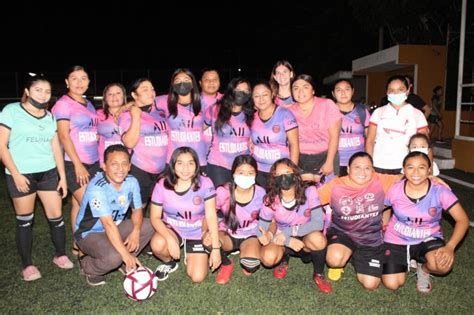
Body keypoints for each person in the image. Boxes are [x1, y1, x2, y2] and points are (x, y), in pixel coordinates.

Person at [0, 75, 72, 281]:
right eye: (38, 90)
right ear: (28, 91)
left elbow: (56, 149)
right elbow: (1, 145)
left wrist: (62, 178)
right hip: (22, 174)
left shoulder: (50, 116)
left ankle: (60, 255)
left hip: (48, 173)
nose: (43, 94)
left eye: (47, 91)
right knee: (25, 220)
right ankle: (27, 265)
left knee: (56, 217)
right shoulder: (11, 111)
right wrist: (16, 174)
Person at [382, 151, 469, 293]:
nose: (416, 172)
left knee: (442, 266)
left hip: (427, 238)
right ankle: (405, 260)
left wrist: (450, 247)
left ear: (429, 170)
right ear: (404, 170)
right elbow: (381, 208)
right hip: (396, 238)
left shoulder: (440, 191)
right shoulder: (395, 189)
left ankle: (423, 269)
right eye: (410, 167)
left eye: (421, 167)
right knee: (392, 283)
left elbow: (462, 220)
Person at [75, 145, 156, 286]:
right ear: (104, 166)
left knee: (148, 225)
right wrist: (125, 254)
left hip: (115, 227)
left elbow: (137, 210)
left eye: (124, 163)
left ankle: (127, 263)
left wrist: (136, 231)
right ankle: (87, 265)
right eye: (114, 164)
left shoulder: (132, 181)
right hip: (90, 233)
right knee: (115, 257)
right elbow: (107, 224)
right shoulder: (97, 187)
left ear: (130, 166)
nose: (120, 169)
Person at [318, 152, 399, 289]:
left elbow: (410, 177)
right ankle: (342, 257)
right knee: (334, 259)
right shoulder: (336, 185)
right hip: (343, 233)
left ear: (373, 170)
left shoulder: (380, 181)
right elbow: (311, 201)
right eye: (357, 167)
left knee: (371, 284)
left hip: (370, 239)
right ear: (348, 169)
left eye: (367, 168)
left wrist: (433, 178)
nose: (363, 172)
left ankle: (356, 257)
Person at [257, 158, 331, 293]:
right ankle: (284, 259)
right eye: (278, 175)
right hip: (281, 239)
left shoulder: (310, 192)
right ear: (274, 179)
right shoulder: (270, 199)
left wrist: (289, 232)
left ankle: (319, 273)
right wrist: (272, 237)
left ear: (296, 174)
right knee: (268, 258)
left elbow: (318, 223)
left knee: (318, 240)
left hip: (304, 236)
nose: (283, 177)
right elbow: (261, 228)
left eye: (287, 172)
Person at [149, 147, 221, 283]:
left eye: (190, 163)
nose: (185, 168)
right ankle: (169, 262)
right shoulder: (162, 184)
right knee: (158, 244)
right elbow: (155, 217)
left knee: (197, 277)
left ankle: (192, 251)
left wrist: (216, 248)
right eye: (180, 163)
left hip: (197, 231)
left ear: (196, 165)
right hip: (173, 229)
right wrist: (169, 240)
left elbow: (211, 216)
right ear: (173, 165)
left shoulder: (205, 183)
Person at [52, 66, 100, 256]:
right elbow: (63, 136)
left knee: (78, 205)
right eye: (74, 78)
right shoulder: (63, 104)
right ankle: (91, 245)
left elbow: (86, 128)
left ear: (89, 82)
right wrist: (78, 165)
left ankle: (77, 245)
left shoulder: (88, 103)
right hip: (74, 162)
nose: (79, 83)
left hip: (93, 160)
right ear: (66, 82)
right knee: (92, 206)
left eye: (83, 78)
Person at [206, 155, 265, 284]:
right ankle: (227, 264)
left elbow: (270, 219)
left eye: (250, 173)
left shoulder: (261, 193)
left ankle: (246, 250)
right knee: (208, 242)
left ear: (256, 174)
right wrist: (205, 232)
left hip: (250, 235)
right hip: (227, 233)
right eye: (241, 172)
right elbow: (209, 214)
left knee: (251, 265)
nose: (245, 176)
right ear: (233, 174)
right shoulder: (223, 191)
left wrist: (267, 233)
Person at [120, 78, 169, 207]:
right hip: (140, 169)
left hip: (162, 170)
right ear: (134, 95)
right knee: (139, 208)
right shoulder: (127, 115)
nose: (151, 92)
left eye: (152, 89)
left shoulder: (161, 112)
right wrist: (136, 116)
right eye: (145, 89)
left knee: (161, 208)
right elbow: (129, 143)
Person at [366, 75, 429, 174]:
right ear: (386, 92)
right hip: (379, 165)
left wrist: (428, 168)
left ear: (407, 91)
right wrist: (369, 164)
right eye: (391, 90)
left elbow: (425, 145)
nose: (395, 93)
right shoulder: (378, 112)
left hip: (406, 167)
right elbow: (370, 141)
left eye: (400, 89)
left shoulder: (417, 114)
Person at [288, 74, 342, 180]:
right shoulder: (288, 111)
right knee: (305, 194)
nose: (300, 92)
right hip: (300, 158)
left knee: (326, 193)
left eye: (305, 87)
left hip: (326, 156)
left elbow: (335, 136)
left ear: (313, 90)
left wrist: (329, 162)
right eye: (296, 88)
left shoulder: (327, 105)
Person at [204, 77, 254, 187]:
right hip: (218, 165)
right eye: (238, 89)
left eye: (246, 91)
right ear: (231, 90)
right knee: (221, 200)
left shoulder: (252, 113)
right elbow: (199, 130)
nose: (242, 93)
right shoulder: (215, 109)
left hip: (242, 166)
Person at [251, 81, 299, 188]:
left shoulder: (285, 114)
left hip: (279, 172)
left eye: (265, 94)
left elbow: (294, 144)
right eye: (257, 96)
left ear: (272, 94)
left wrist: (292, 171)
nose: (261, 99)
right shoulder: (252, 117)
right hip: (258, 171)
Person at [164, 68, 209, 169]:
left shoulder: (204, 102)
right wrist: (126, 106)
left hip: (198, 159)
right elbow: (142, 102)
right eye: (177, 81)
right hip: (173, 159)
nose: (182, 83)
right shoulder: (164, 101)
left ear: (193, 83)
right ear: (173, 85)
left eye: (186, 80)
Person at [332, 79, 370, 176]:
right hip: (335, 163)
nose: (343, 93)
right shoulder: (327, 112)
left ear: (352, 91)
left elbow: (370, 139)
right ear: (333, 93)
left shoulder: (362, 111)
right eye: (338, 90)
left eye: (347, 89)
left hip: (358, 163)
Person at [97, 83, 127, 166]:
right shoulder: (97, 114)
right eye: (110, 94)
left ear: (123, 96)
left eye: (118, 93)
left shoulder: (131, 114)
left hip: (126, 162)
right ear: (105, 98)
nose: (114, 97)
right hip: (104, 162)